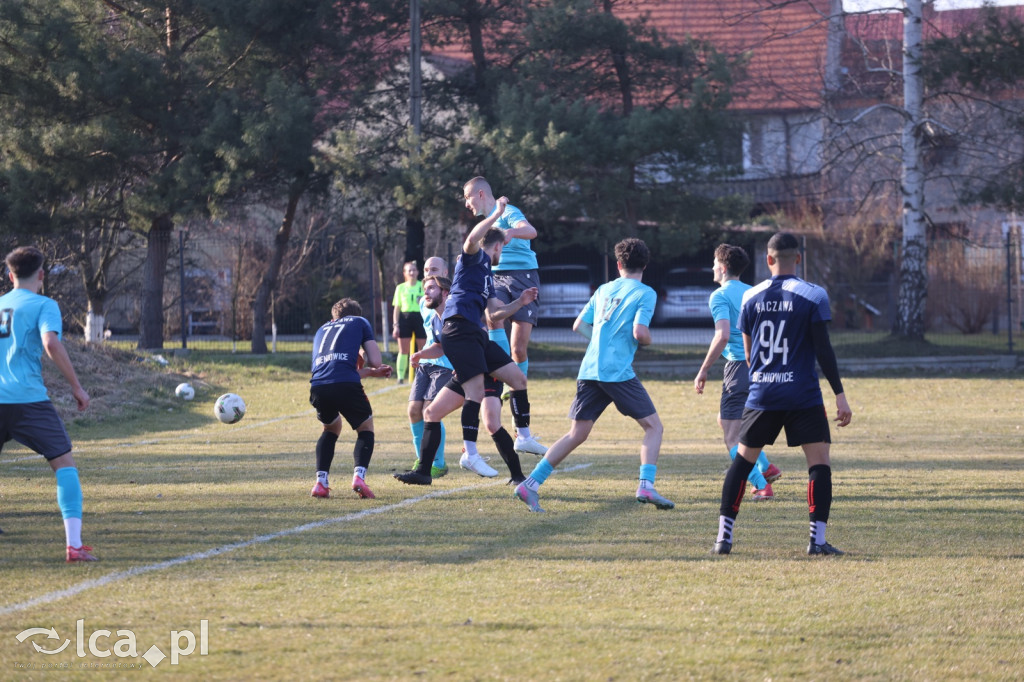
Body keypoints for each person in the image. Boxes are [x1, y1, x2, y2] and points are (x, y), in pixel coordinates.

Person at [711, 232, 853, 556]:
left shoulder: (751, 296)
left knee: (743, 463)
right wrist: (840, 394)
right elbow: (824, 350)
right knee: (819, 463)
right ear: (798, 259)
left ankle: (724, 539)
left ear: (768, 260)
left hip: (762, 394)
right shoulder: (814, 295)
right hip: (802, 393)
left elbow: (749, 353)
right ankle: (817, 542)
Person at [514, 238, 674, 513]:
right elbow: (640, 333)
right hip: (616, 372)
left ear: (619, 264)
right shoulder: (645, 293)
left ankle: (529, 484)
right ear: (645, 265)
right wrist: (648, 341)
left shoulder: (603, 289)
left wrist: (602, 340)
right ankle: (646, 485)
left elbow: (579, 325)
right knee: (654, 427)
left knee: (577, 433)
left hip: (590, 369)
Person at [395, 196, 541, 486]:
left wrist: (520, 303)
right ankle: (470, 453)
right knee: (476, 394)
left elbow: (495, 313)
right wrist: (497, 213)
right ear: (497, 245)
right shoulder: (472, 258)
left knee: (516, 380)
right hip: (458, 332)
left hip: (475, 335)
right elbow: (474, 237)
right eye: (503, 248)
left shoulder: (487, 275)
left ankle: (522, 437)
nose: (503, 254)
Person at [0, 246, 94, 562]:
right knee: (64, 465)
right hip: (27, 400)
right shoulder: (44, 305)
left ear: (9, 275)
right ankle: (74, 546)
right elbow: (51, 342)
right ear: (41, 274)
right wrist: (77, 387)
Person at [410, 275, 528, 483]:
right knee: (431, 412)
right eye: (424, 289)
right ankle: (423, 472)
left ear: (445, 292)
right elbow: (440, 347)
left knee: (491, 423)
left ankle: (517, 474)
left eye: (430, 288)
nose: (425, 293)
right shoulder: (438, 319)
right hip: (466, 372)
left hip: (486, 371)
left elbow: (478, 340)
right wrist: (422, 354)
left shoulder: (458, 313)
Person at [694, 244, 782, 500]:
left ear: (722, 268)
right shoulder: (755, 291)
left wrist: (703, 370)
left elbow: (721, 336)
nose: (711, 267)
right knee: (727, 420)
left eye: (713, 264)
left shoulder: (719, 296)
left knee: (732, 437)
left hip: (739, 367)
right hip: (762, 366)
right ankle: (766, 467)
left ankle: (761, 485)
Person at [462, 177, 543, 420]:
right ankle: (500, 371)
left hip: (523, 275)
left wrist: (512, 232)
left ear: (480, 194)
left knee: (519, 349)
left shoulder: (508, 211)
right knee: (492, 318)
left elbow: (532, 231)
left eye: (467, 198)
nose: (466, 204)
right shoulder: (487, 222)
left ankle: (516, 384)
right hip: (495, 276)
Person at [309, 298, 392, 500]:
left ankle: (321, 482)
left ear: (333, 317)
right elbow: (376, 360)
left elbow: (337, 370)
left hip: (318, 387)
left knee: (330, 428)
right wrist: (366, 356)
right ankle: (358, 477)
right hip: (346, 385)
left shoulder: (322, 329)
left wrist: (370, 373)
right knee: (365, 429)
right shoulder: (360, 322)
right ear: (358, 315)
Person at [407, 256, 451, 477]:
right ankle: (421, 459)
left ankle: (438, 462)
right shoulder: (423, 301)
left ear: (445, 271)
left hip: (445, 363)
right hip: (426, 361)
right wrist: (421, 355)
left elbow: (443, 340)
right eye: (426, 269)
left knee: (430, 411)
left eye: (434, 269)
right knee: (413, 410)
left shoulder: (451, 299)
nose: (428, 272)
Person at [392, 261, 426, 384]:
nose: (412, 272)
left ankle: (422, 374)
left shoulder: (423, 286)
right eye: (409, 270)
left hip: (420, 318)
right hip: (405, 318)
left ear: (417, 272)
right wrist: (395, 325)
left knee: (423, 349)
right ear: (404, 273)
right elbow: (397, 308)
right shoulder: (400, 288)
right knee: (403, 350)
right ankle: (400, 377)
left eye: (414, 270)